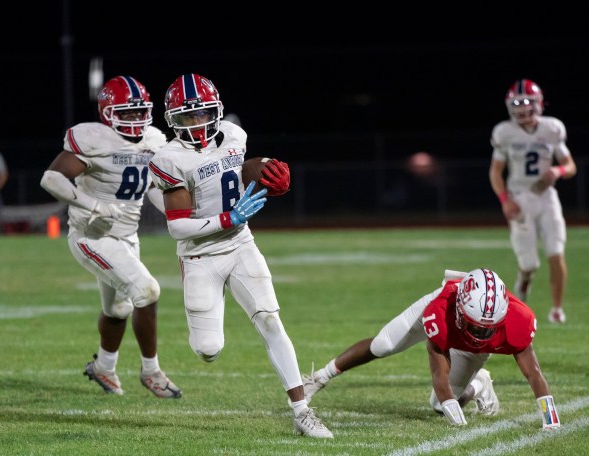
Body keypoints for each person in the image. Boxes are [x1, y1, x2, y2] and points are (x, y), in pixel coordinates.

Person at [148, 73, 332, 438]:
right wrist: (227, 217)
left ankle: (301, 411)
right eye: (187, 118)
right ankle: (204, 331)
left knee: (270, 320)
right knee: (209, 349)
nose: (197, 124)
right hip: (199, 255)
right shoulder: (169, 159)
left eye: (202, 115)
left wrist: (265, 169)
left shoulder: (234, 136)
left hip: (240, 244)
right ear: (172, 122)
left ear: (216, 112)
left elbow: (236, 170)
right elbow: (178, 227)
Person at [40, 75, 181, 398]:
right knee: (147, 290)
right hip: (91, 234)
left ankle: (104, 367)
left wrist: (177, 216)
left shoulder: (155, 140)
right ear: (107, 112)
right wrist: (93, 205)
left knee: (119, 309)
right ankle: (152, 372)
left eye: (138, 112)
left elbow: (155, 188)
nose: (135, 119)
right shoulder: (94, 139)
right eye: (126, 112)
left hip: (127, 236)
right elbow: (51, 179)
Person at [301, 269, 561, 430]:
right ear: (460, 309)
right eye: (476, 326)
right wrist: (459, 423)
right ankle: (319, 378)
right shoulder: (441, 312)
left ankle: (479, 384)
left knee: (438, 405)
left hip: (467, 343)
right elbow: (439, 373)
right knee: (384, 344)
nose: (481, 334)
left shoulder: (518, 320)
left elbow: (533, 373)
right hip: (443, 316)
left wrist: (551, 420)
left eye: (488, 328)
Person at [489, 79, 577, 324]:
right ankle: (524, 280)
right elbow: (495, 172)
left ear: (538, 103)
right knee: (529, 263)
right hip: (520, 196)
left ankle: (557, 310)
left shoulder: (552, 128)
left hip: (546, 196)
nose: (521, 107)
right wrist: (505, 200)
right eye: (516, 102)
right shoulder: (504, 132)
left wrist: (557, 171)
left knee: (556, 251)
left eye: (526, 101)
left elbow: (571, 166)